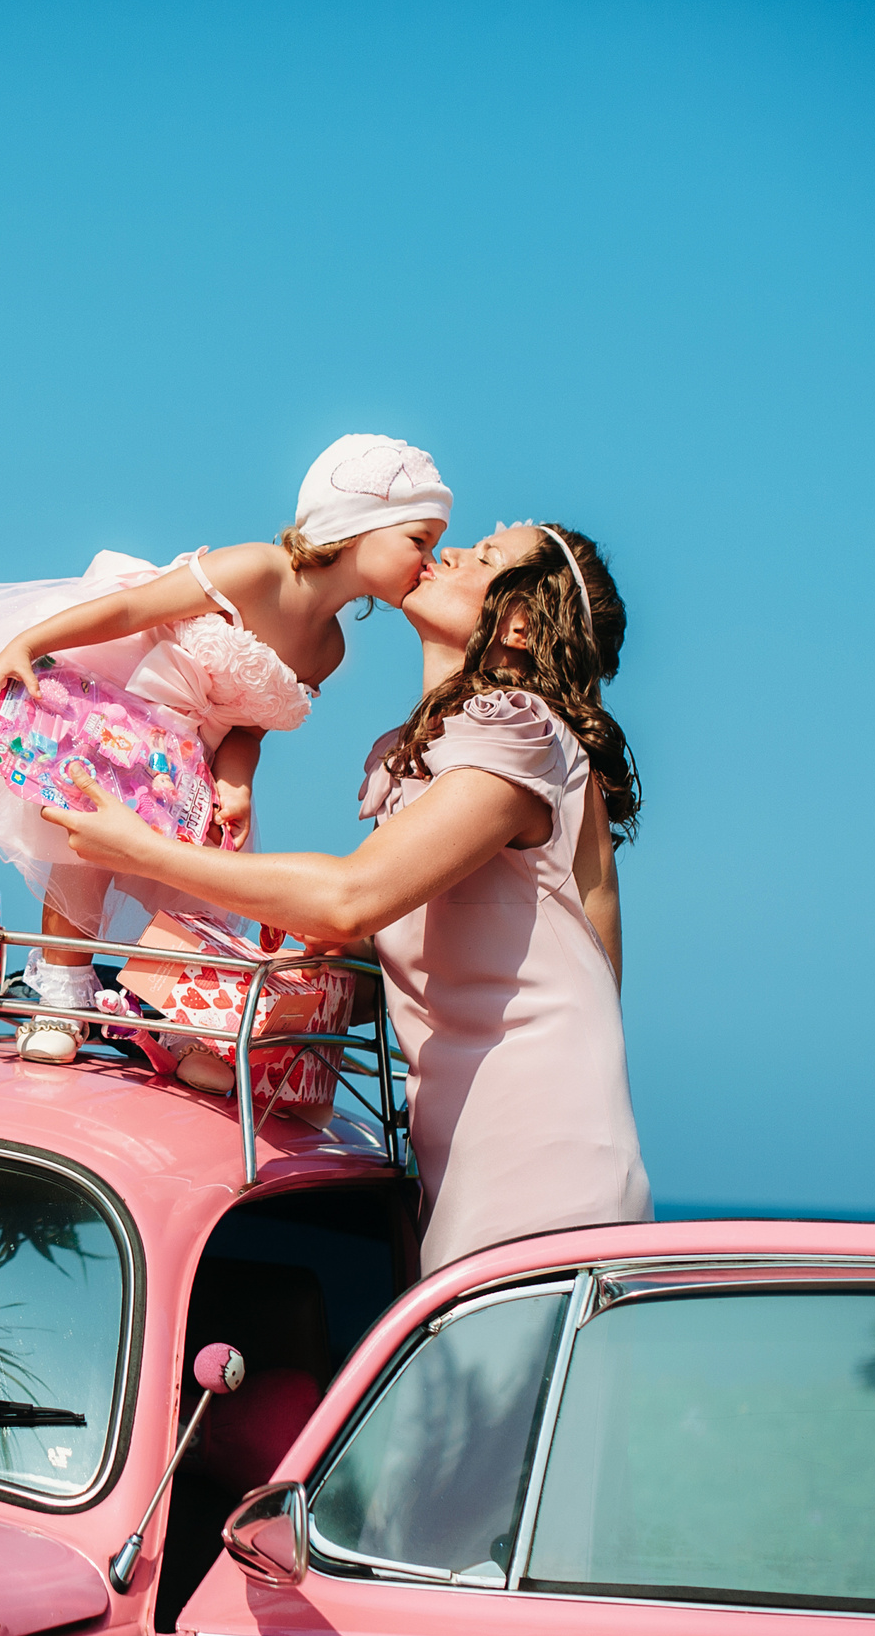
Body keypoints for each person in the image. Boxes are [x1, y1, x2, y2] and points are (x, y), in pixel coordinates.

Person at [43, 520, 651, 1272]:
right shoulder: (452, 751)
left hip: (543, 1167)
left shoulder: (521, 731)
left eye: (485, 557)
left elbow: (351, 895)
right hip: (474, 1156)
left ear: (522, 623)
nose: (452, 551)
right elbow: (377, 945)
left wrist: (141, 849)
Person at [0, 435, 452, 1062]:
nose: (428, 559)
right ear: (359, 526)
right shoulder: (258, 570)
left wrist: (237, 783)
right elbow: (132, 608)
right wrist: (28, 640)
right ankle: (61, 991)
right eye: (418, 538)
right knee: (84, 850)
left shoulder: (329, 649)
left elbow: (249, 726)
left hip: (189, 760)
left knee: (197, 879)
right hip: (125, 709)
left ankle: (167, 1017)